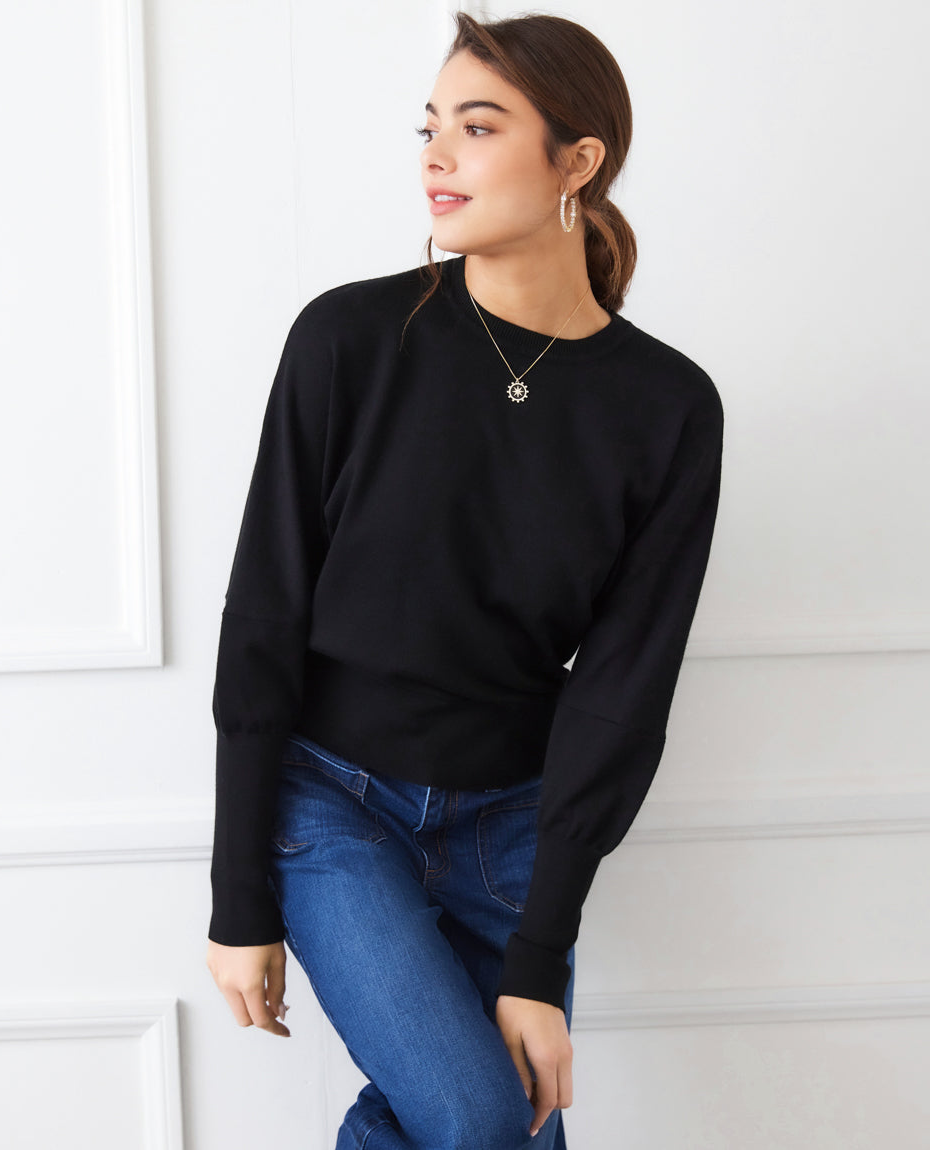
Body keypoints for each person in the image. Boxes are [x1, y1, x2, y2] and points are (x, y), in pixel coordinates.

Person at [205, 11, 723, 1150]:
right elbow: (263, 617)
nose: (435, 155)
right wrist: (238, 894)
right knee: (483, 1118)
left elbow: (623, 689)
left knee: (485, 1126)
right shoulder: (347, 339)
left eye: (477, 128)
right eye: (429, 126)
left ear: (577, 161)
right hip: (332, 806)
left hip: (518, 823)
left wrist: (541, 952)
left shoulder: (667, 407)